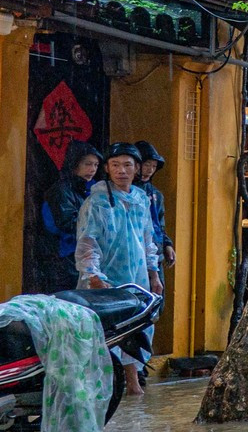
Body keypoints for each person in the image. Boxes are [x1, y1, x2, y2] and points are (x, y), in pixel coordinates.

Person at [76, 143, 163, 395]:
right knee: (107, 329)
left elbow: (148, 239)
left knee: (135, 325)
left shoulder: (141, 199)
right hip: (106, 276)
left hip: (137, 276)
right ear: (107, 168)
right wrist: (93, 275)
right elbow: (88, 242)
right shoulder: (97, 202)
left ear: (137, 169)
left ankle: (133, 382)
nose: (121, 171)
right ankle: (106, 388)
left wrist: (154, 273)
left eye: (127, 165)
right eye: (115, 165)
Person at [40, 142, 101, 291]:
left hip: (84, 256)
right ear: (74, 164)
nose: (92, 169)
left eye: (96, 165)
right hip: (64, 257)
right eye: (87, 164)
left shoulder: (92, 189)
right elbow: (68, 223)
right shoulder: (62, 190)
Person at [133, 140, 177, 268]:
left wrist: (167, 244)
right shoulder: (125, 192)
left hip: (155, 253)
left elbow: (159, 224)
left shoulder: (156, 194)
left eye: (154, 166)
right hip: (134, 252)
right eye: (147, 165)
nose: (150, 170)